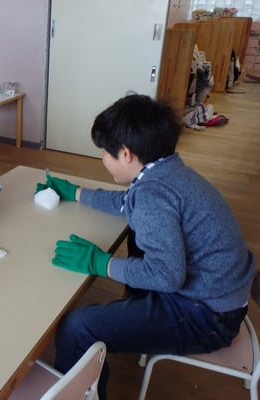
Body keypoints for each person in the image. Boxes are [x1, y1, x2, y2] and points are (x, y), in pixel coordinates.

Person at [39, 94, 254, 399]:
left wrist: (100, 263)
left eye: (105, 152)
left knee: (78, 327)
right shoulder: (167, 172)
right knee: (136, 236)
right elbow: (129, 203)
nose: (102, 159)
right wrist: (76, 193)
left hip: (207, 317)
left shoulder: (153, 195)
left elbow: (166, 276)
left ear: (126, 154)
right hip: (220, 296)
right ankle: (136, 318)